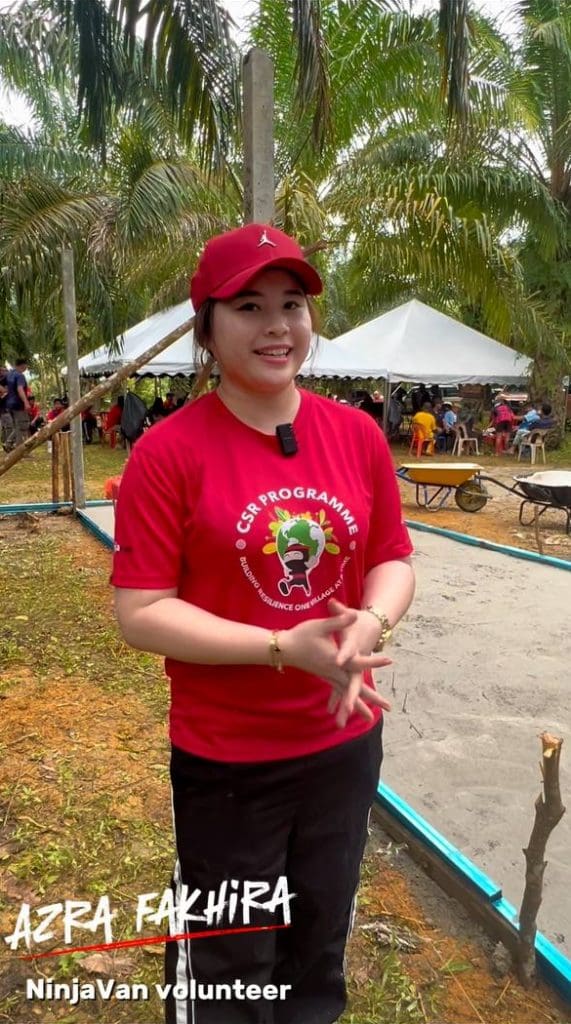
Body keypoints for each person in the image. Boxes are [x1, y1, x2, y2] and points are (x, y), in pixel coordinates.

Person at [112, 222, 415, 1024]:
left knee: (319, 938)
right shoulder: (167, 452)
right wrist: (282, 646)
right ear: (206, 325)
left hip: (342, 745)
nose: (278, 325)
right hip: (228, 758)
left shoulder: (354, 434)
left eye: (293, 304)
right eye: (248, 305)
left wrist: (369, 623)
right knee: (230, 957)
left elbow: (392, 557)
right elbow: (140, 612)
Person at [5, 357, 31, 450]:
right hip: (18, 404)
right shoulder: (20, 376)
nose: (27, 367)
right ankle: (19, 450)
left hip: (9, 404)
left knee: (17, 426)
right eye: (26, 365)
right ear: (23, 365)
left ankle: (8, 444)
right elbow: (20, 389)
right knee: (22, 426)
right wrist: (26, 402)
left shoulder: (10, 374)